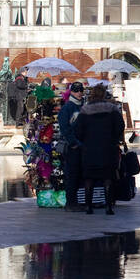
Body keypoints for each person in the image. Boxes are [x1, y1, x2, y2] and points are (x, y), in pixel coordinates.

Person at [74, 83, 125, 215]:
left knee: (89, 178)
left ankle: (88, 207)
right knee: (108, 177)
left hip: (89, 149)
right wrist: (114, 138)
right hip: (108, 148)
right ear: (103, 95)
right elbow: (120, 126)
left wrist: (85, 139)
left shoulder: (85, 110)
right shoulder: (112, 109)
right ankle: (108, 207)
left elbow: (78, 130)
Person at [57, 82, 85, 211]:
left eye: (81, 90)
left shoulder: (83, 106)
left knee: (79, 174)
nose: (79, 93)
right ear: (71, 92)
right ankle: (70, 203)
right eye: (76, 90)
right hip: (72, 147)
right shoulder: (67, 108)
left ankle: (76, 202)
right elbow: (65, 128)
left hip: (82, 146)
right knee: (72, 174)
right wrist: (73, 143)